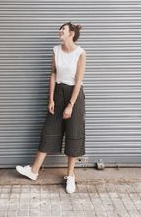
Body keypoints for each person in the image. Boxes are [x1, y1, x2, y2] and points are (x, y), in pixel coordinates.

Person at [16, 22, 86, 194]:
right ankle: (34, 171)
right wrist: (51, 99)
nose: (60, 31)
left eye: (63, 30)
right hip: (59, 93)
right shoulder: (55, 51)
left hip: (74, 96)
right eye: (60, 29)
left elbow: (78, 82)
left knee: (74, 133)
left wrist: (70, 104)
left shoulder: (80, 53)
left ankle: (70, 176)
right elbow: (53, 74)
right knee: (49, 130)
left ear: (71, 34)